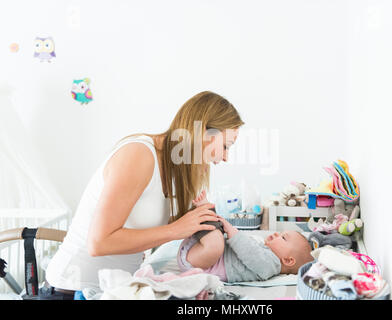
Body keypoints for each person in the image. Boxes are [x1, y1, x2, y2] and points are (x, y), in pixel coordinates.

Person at [42, 91, 244, 299]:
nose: (226, 157)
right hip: (70, 289)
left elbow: (145, 226)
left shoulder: (179, 170)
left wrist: (195, 224)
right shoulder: (139, 155)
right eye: (226, 146)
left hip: (116, 289)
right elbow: (99, 243)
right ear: (204, 133)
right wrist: (176, 229)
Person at [176, 191, 314, 283]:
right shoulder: (267, 251)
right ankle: (205, 215)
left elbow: (249, 251)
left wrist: (232, 231)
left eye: (283, 238)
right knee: (217, 236)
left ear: (288, 260)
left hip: (200, 261)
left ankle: (205, 211)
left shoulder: (271, 266)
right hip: (200, 250)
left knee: (215, 244)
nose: (277, 234)